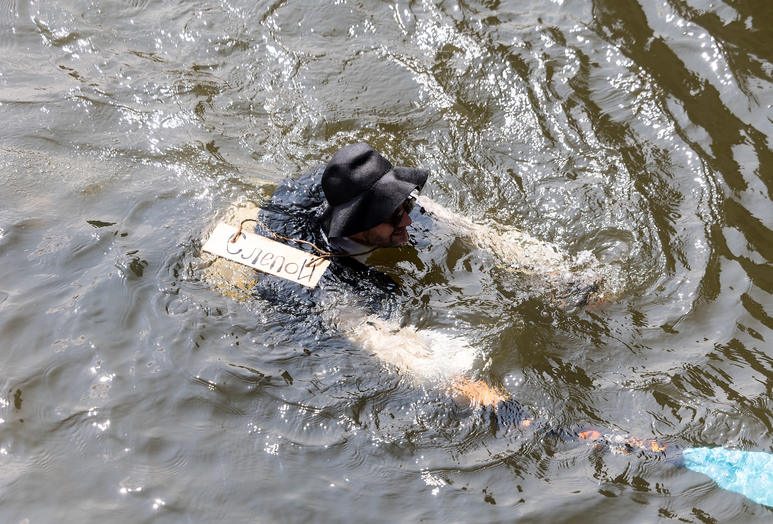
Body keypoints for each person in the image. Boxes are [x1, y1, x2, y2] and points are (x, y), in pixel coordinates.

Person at [207, 142, 673, 456]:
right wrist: (491, 400)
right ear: (359, 223)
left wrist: (555, 275)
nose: (409, 219)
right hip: (271, 264)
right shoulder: (325, 283)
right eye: (395, 215)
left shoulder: (376, 200)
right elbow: (385, 345)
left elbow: (474, 231)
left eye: (406, 205)